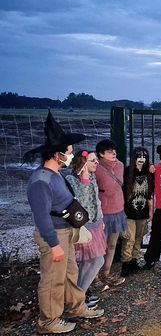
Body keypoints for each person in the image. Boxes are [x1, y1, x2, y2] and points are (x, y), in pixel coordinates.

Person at [23, 111, 104, 334]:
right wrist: (54, 244)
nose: (71, 156)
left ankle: (76, 307)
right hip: (54, 236)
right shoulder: (41, 181)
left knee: (69, 273)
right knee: (52, 279)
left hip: (65, 231)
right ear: (57, 154)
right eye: (68, 152)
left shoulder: (56, 174)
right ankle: (48, 321)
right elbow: (41, 216)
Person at [65, 150, 107, 309]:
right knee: (95, 260)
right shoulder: (71, 180)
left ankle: (80, 295)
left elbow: (96, 200)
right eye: (92, 160)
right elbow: (79, 202)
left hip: (95, 225)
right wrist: (83, 179)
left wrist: (101, 218)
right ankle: (78, 298)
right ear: (82, 163)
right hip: (83, 227)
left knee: (89, 262)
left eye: (96, 160)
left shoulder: (92, 177)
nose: (96, 162)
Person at [95, 139, 126, 287]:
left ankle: (107, 272)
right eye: (109, 151)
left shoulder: (120, 166)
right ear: (101, 154)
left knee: (112, 244)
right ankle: (94, 276)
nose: (113, 153)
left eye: (114, 150)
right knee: (99, 245)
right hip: (103, 213)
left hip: (118, 210)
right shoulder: (96, 168)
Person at [121, 147, 154, 277]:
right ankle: (126, 263)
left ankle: (134, 260)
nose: (141, 159)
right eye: (138, 156)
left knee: (139, 237)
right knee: (129, 238)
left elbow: (150, 194)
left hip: (143, 210)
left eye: (144, 156)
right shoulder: (128, 171)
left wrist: (151, 210)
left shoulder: (148, 173)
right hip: (129, 211)